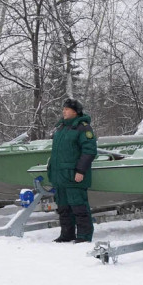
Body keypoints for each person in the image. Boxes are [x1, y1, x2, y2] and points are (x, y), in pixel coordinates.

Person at [47, 98, 98, 243]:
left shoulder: (83, 128)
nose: (64, 111)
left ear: (75, 112)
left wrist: (80, 171)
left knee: (79, 207)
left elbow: (89, 151)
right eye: (63, 109)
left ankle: (84, 236)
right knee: (63, 207)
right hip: (60, 176)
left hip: (74, 175)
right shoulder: (61, 128)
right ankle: (67, 234)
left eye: (67, 109)